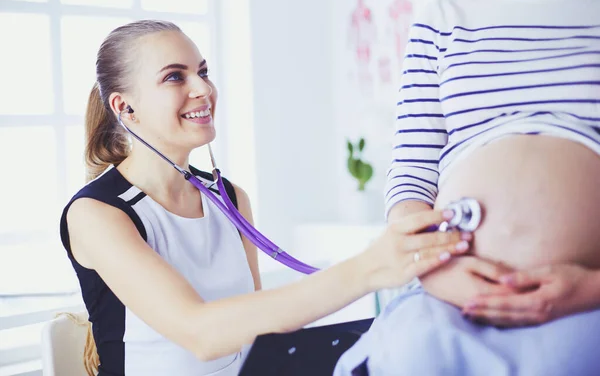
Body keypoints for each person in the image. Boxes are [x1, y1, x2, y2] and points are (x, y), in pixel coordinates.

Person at [59, 20, 473, 376]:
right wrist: (368, 269)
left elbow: (257, 331)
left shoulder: (230, 197)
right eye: (174, 76)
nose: (203, 88)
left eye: (203, 71)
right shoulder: (96, 214)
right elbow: (201, 334)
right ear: (124, 107)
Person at [334, 0, 600, 374]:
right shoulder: (443, 20)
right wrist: (439, 273)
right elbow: (411, 177)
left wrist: (591, 289)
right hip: (449, 298)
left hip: (585, 303)